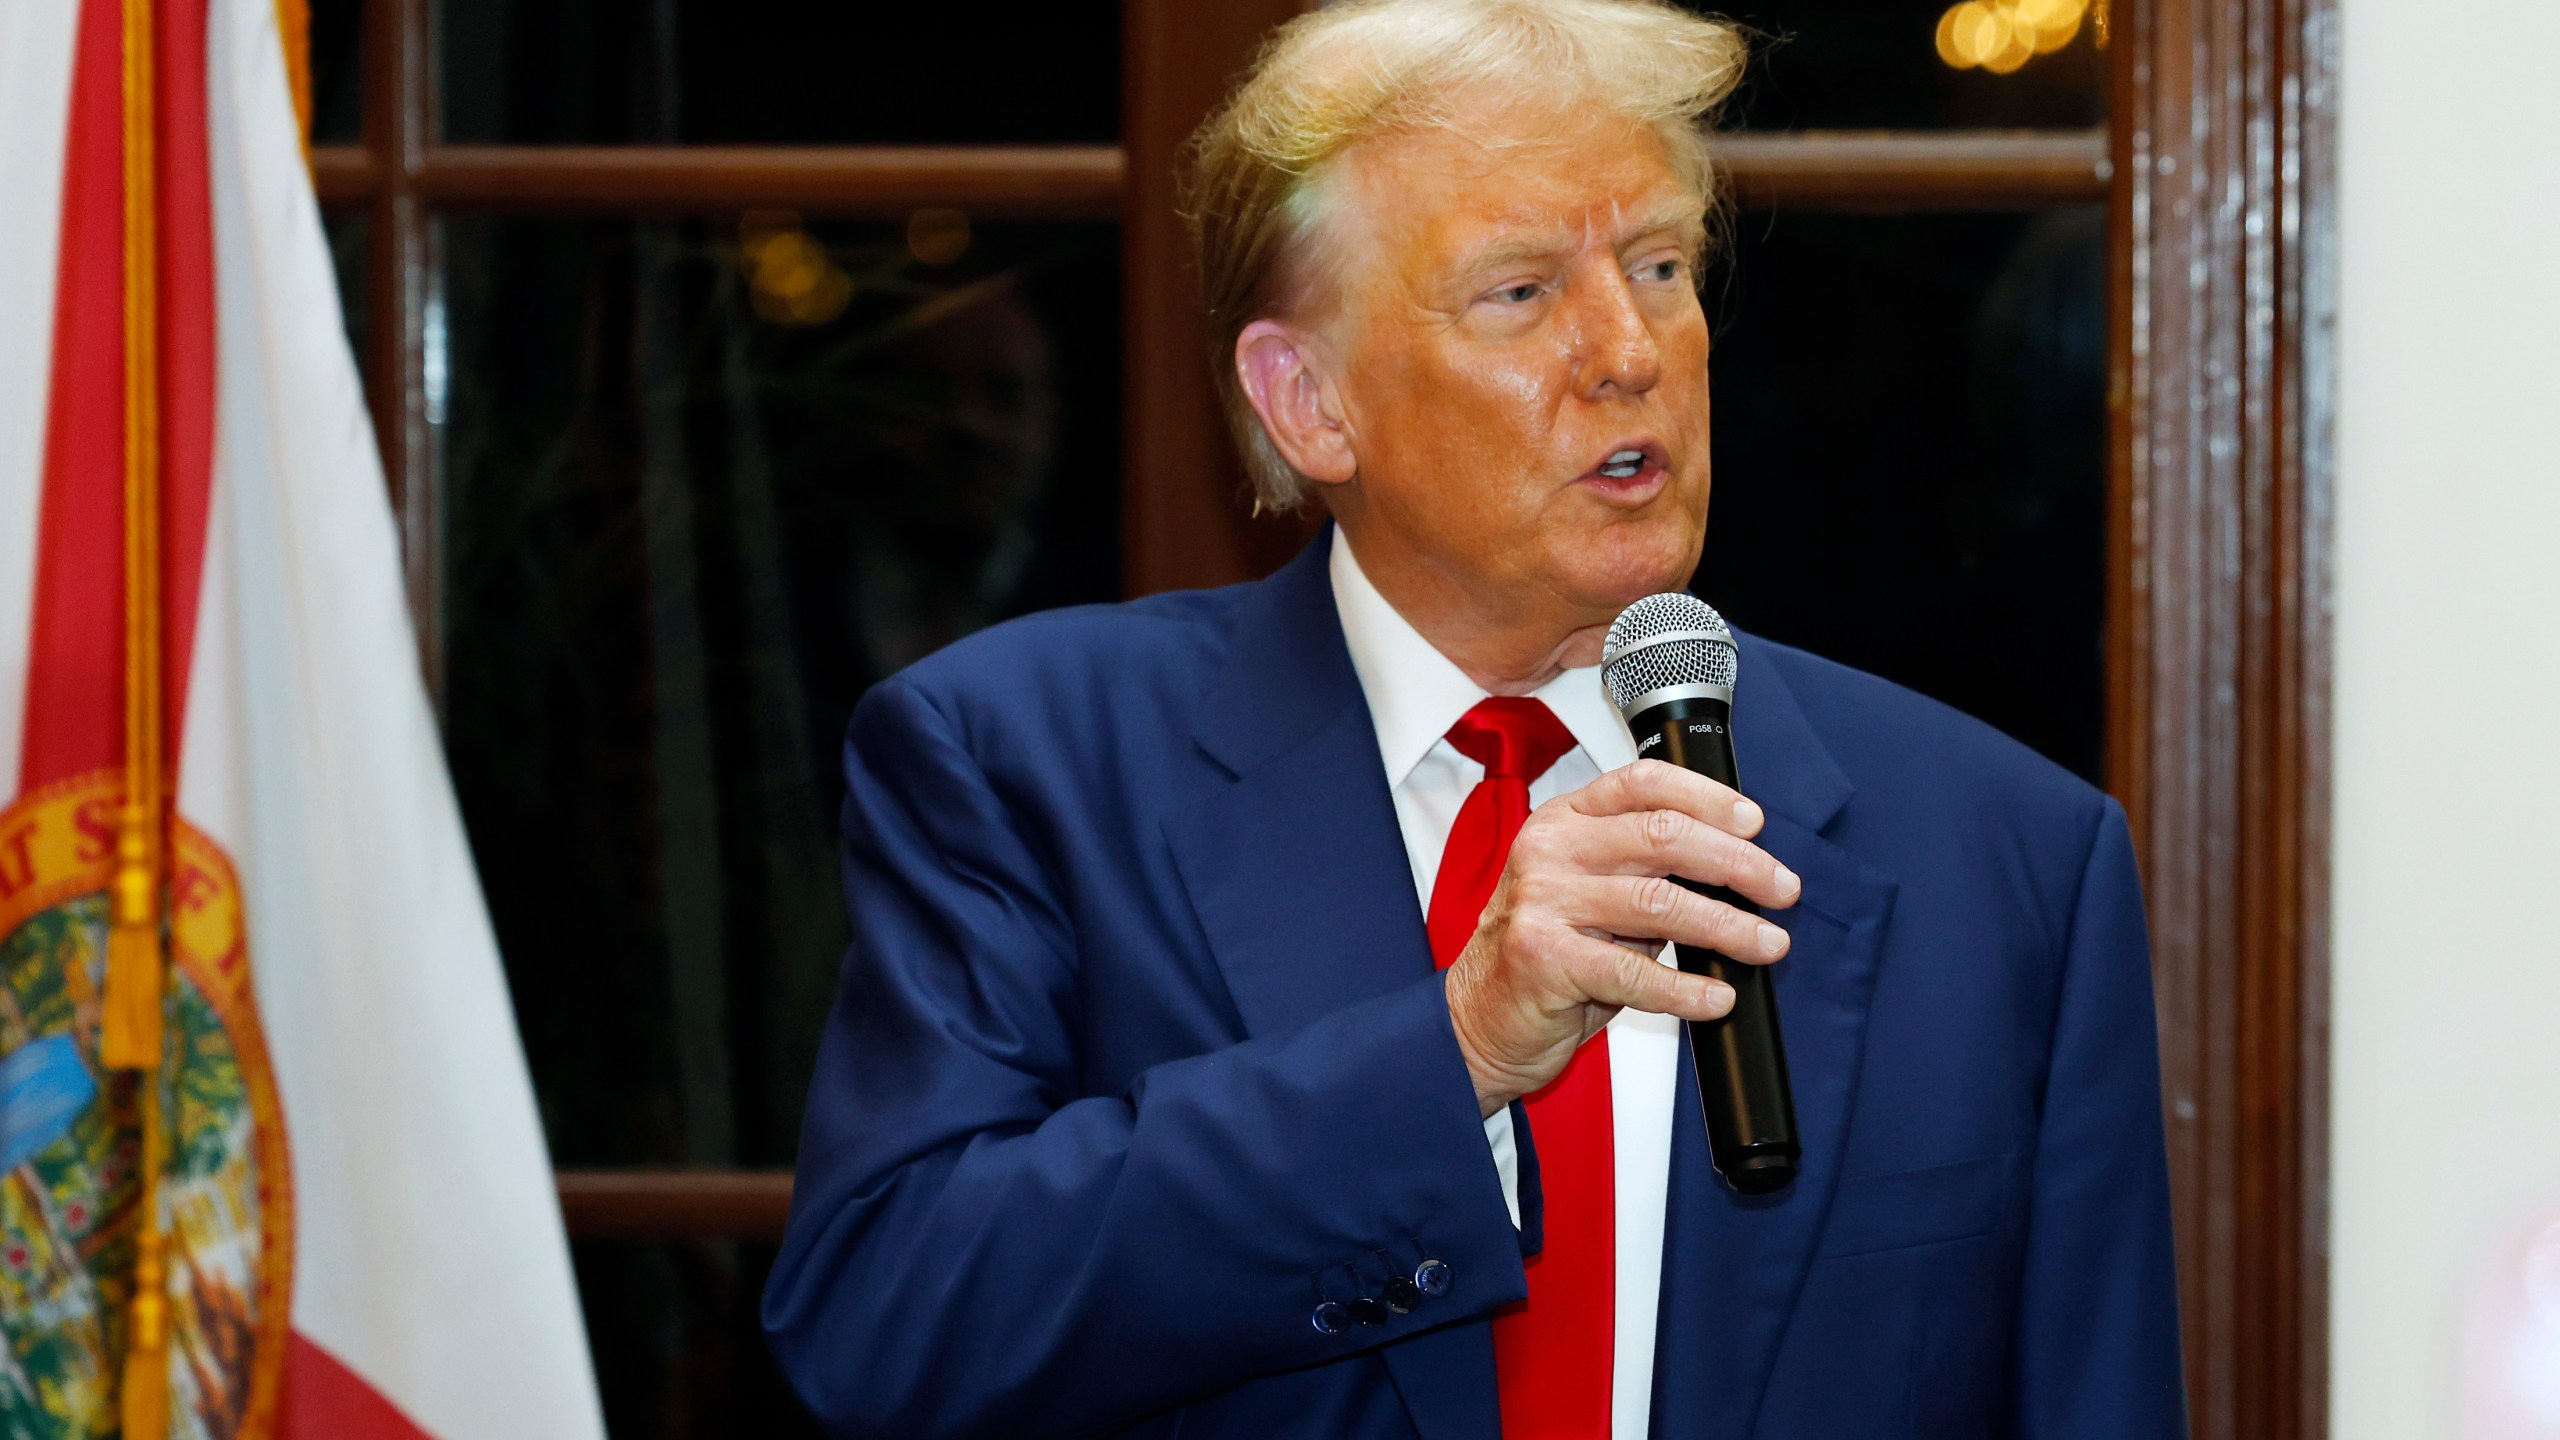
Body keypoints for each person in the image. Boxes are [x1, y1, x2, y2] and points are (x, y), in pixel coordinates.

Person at [762, 1, 2186, 1435]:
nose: (1630, 350)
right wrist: (1452, 1057)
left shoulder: (2010, 859)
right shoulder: (1026, 766)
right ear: (1308, 402)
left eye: (1661, 264)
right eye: (1520, 291)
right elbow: (889, 1320)